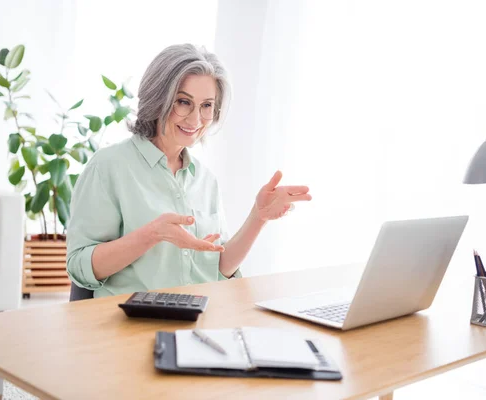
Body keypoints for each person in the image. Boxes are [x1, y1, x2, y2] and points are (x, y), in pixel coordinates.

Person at [66, 44, 312, 297]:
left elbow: (218, 267)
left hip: (196, 320)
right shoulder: (109, 166)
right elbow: (79, 266)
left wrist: (258, 217)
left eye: (206, 105)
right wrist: (152, 234)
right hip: (129, 324)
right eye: (183, 102)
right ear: (158, 99)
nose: (196, 120)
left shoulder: (205, 179)